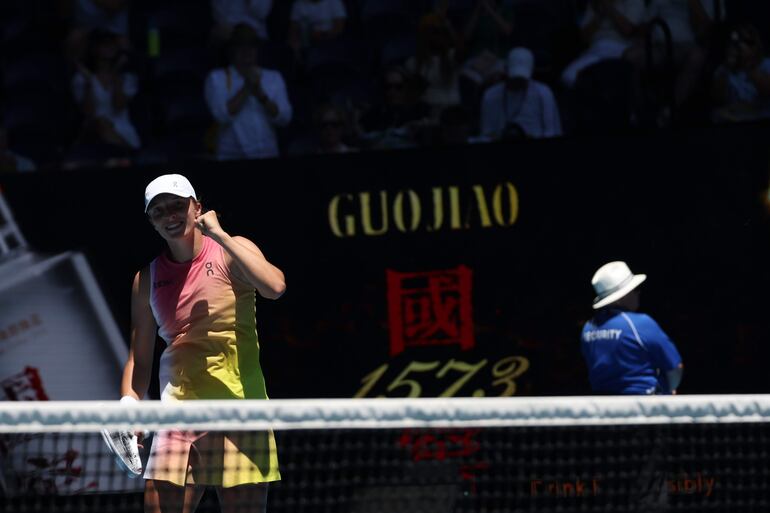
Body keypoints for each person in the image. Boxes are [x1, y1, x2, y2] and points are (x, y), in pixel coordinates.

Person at [119, 173, 286, 513]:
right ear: (151, 222)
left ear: (197, 208)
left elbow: (275, 287)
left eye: (177, 206)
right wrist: (128, 405)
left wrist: (220, 235)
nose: (170, 216)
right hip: (178, 414)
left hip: (242, 411)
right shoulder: (146, 279)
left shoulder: (231, 250)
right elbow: (139, 359)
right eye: (158, 211)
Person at [581, 261, 683, 395]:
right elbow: (675, 368)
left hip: (602, 404)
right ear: (623, 296)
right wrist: (670, 389)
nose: (638, 293)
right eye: (635, 289)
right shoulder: (640, 323)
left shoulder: (588, 328)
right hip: (644, 403)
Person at [204, 23, 293, 160]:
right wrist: (247, 87)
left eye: (251, 45)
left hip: (267, 153)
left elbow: (284, 117)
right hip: (231, 156)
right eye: (241, 45)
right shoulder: (216, 78)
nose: (246, 50)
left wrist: (261, 96)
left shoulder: (273, 77)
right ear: (232, 49)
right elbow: (221, 115)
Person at [70, 29, 141, 153]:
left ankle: (129, 152)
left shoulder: (127, 78)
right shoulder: (81, 79)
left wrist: (116, 76)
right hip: (93, 130)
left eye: (112, 44)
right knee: (101, 123)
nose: (109, 48)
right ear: (94, 48)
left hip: (122, 128)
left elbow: (118, 106)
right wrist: (89, 83)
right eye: (104, 44)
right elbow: (88, 112)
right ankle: (130, 154)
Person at [479, 47, 562, 140]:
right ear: (506, 70)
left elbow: (551, 132)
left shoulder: (543, 93)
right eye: (514, 78)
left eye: (522, 79)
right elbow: (486, 134)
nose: (518, 82)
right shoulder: (491, 95)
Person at [560, 0, 646, 88]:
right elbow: (584, 38)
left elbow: (629, 31)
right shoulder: (595, 2)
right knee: (568, 77)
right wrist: (599, 15)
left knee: (606, 83)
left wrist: (609, 8)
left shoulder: (634, 1)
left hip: (622, 49)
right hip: (596, 50)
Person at [710, 22, 770, 123]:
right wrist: (728, 66)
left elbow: (767, 91)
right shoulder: (723, 69)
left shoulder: (766, 64)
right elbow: (718, 99)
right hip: (734, 118)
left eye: (748, 42)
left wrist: (748, 65)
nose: (741, 46)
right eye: (737, 42)